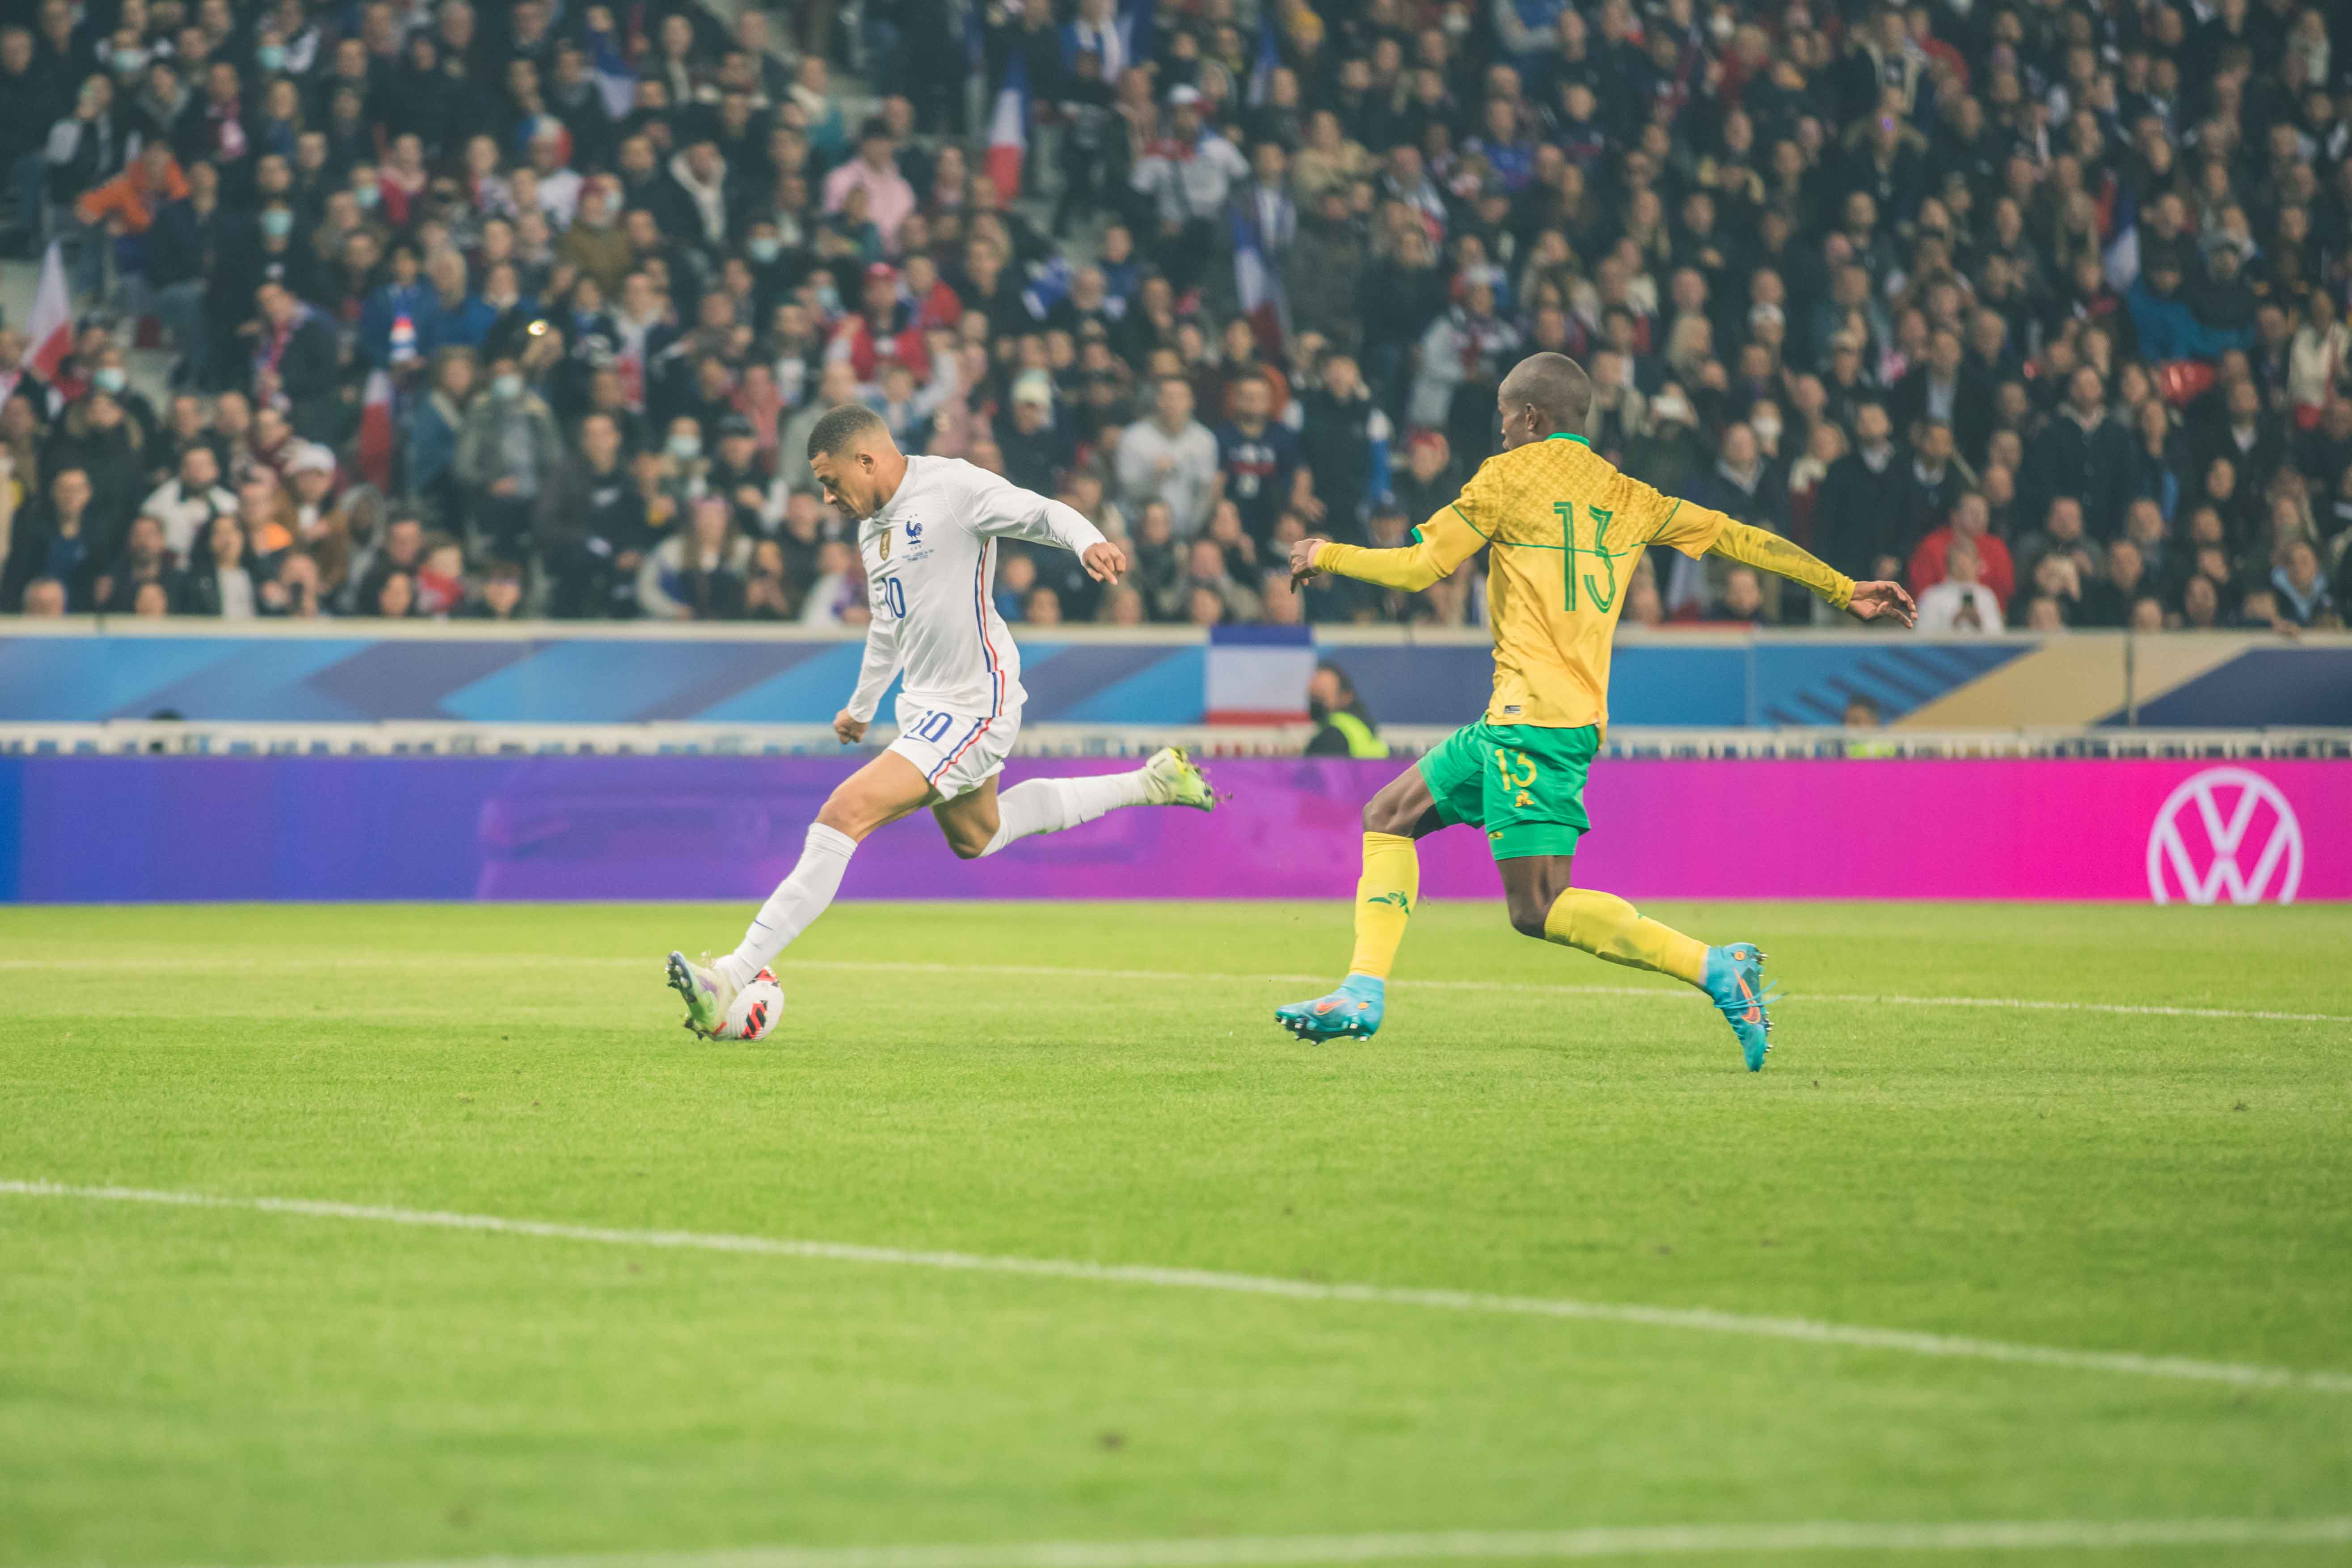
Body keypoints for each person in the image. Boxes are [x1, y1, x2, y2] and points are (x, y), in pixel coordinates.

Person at [1275, 353, 1914, 1067]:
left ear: (1529, 417)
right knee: (1389, 815)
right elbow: (1739, 537)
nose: (1501, 430)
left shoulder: (1504, 478)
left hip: (1531, 723)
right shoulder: (1627, 493)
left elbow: (1419, 567)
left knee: (1539, 907)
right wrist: (1841, 589)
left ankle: (1715, 968)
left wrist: (1325, 553)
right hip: (1541, 717)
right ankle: (1361, 990)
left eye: (1505, 417)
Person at [663, 405, 1222, 1037]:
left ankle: (730, 976)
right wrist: (862, 706)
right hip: (927, 709)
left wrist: (1087, 540)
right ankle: (1150, 782)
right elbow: (887, 625)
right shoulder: (871, 531)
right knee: (977, 834)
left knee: (843, 813)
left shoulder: (953, 489)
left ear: (866, 460)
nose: (826, 497)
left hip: (976, 702)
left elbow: (1040, 511)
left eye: (830, 480)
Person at [1304, 662, 1387, 758]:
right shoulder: (1361, 728)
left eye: (1321, 694)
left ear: (1346, 697)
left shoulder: (1332, 737)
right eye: (1313, 696)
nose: (1315, 702)